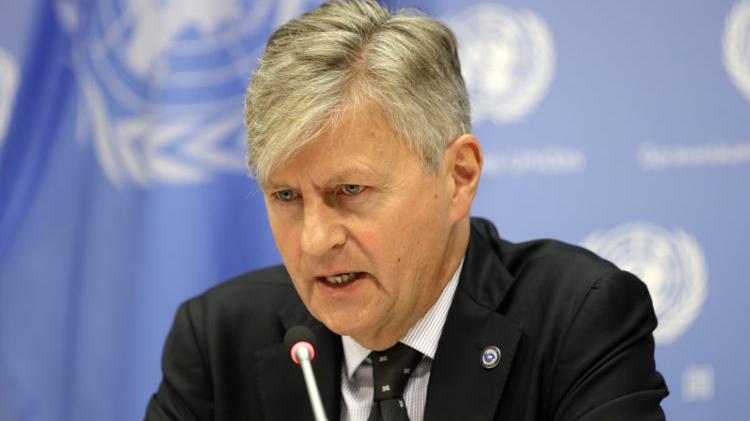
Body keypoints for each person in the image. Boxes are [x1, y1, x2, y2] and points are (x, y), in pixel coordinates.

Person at [145, 1, 668, 420]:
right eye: (286, 196)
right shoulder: (218, 339)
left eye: (350, 190)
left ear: (458, 176)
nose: (314, 240)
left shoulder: (578, 320)